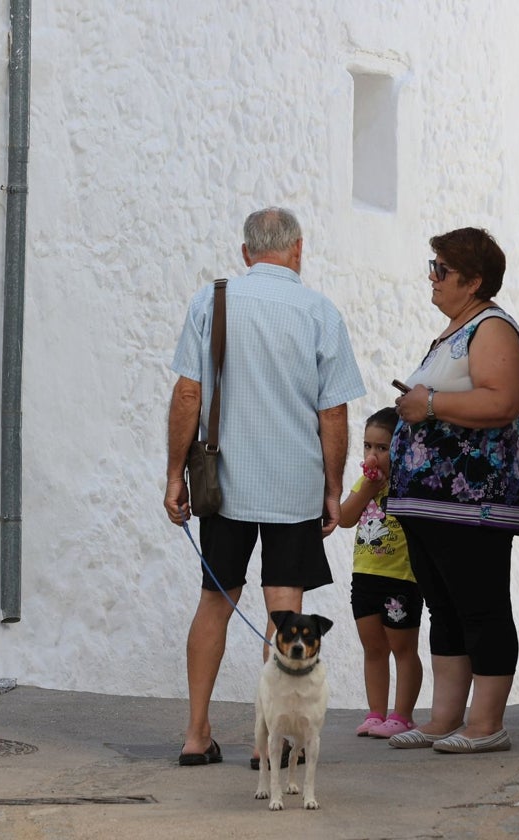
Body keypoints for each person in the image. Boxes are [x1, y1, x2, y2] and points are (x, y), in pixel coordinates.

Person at [164, 207, 365, 767]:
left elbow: (187, 395)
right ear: (297, 250)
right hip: (293, 486)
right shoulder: (320, 313)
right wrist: (333, 488)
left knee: (214, 603)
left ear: (247, 252)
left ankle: (196, 734)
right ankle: (268, 744)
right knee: (285, 609)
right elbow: (334, 414)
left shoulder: (212, 301)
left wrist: (174, 474)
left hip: (223, 485)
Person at [385, 226, 519, 755]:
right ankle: (445, 719)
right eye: (432, 266)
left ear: (473, 281)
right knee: (445, 609)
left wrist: (429, 405)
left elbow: (503, 401)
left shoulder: (492, 328)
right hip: (433, 504)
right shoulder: (454, 332)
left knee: (480, 606)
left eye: (441, 270)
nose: (432, 277)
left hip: (474, 505)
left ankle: (486, 723)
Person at [338, 406, 424, 739]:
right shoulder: (366, 484)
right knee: (373, 648)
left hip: (400, 578)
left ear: (401, 448)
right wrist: (368, 490)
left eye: (382, 448)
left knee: (403, 648)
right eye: (368, 446)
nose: (373, 455)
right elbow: (345, 518)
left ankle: (402, 715)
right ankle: (376, 713)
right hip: (365, 575)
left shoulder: (408, 483)